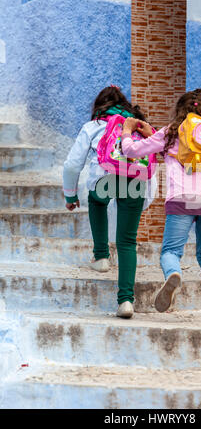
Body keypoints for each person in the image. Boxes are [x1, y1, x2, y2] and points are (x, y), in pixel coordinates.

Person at [121, 89, 201, 322]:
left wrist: (127, 131)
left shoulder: (171, 131)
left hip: (182, 198)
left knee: (171, 252)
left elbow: (131, 150)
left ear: (180, 109)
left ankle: (173, 274)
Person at [63, 85, 154, 319]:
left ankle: (101, 256)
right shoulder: (137, 127)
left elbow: (73, 165)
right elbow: (150, 161)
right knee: (127, 241)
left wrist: (71, 195)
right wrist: (146, 198)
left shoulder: (92, 126)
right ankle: (126, 301)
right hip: (135, 180)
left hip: (104, 178)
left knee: (97, 201)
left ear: (99, 106)